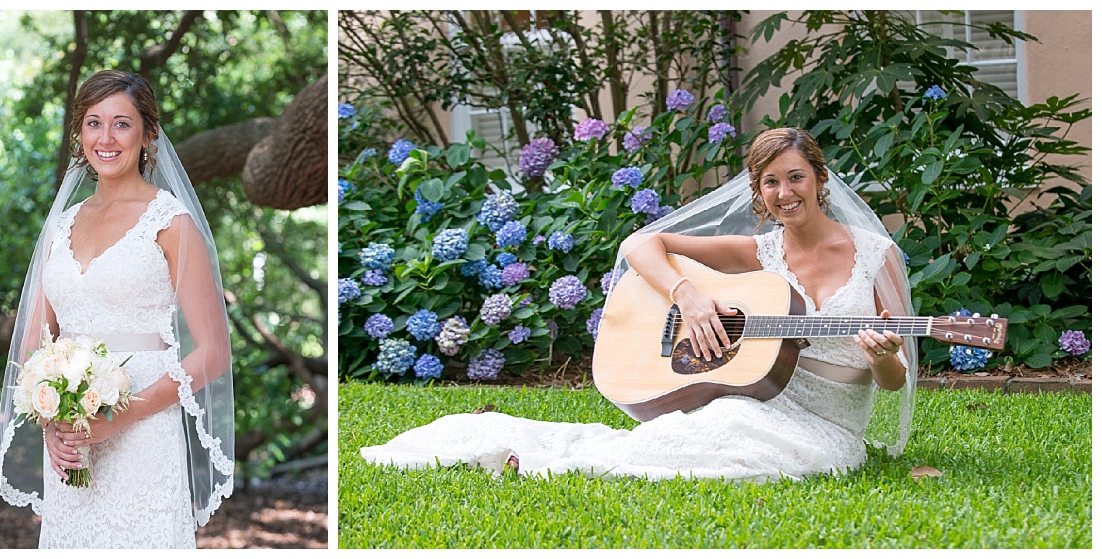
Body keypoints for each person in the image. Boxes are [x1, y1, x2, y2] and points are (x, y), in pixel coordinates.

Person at [361, 127, 917, 481]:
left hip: (829, 426)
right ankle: (533, 457)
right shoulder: (756, 252)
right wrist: (691, 297)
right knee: (702, 432)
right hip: (760, 400)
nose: (784, 192)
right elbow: (639, 244)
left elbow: (894, 382)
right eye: (769, 182)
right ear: (758, 193)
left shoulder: (875, 254)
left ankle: (547, 465)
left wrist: (881, 356)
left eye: (796, 177)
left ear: (820, 180)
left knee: (732, 461)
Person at [0, 70, 235, 548]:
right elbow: (33, 346)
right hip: (69, 440)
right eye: (93, 122)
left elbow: (213, 352)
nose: (105, 138)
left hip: (144, 429)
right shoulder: (60, 227)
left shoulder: (171, 222)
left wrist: (122, 417)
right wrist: (51, 421)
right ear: (79, 134)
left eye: (122, 124)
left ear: (149, 134)